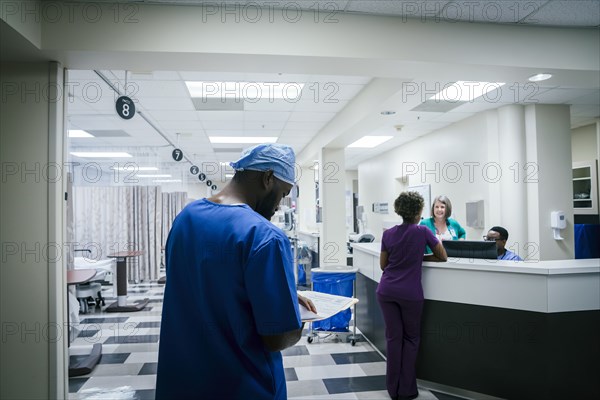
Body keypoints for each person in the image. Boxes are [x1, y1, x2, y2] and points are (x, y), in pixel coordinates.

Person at [155, 143, 316, 400]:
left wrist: (280, 292)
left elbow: (212, 285)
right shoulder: (265, 236)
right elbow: (277, 337)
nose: (278, 206)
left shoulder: (185, 219)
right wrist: (296, 316)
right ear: (267, 178)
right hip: (243, 386)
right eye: (283, 193)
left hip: (183, 382)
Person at [377, 191, 447, 400]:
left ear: (400, 210)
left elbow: (383, 265)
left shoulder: (388, 234)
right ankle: (406, 391)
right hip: (410, 294)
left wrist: (410, 258)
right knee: (411, 339)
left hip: (386, 291)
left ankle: (392, 390)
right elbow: (442, 256)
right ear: (418, 211)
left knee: (393, 339)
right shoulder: (423, 231)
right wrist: (419, 257)